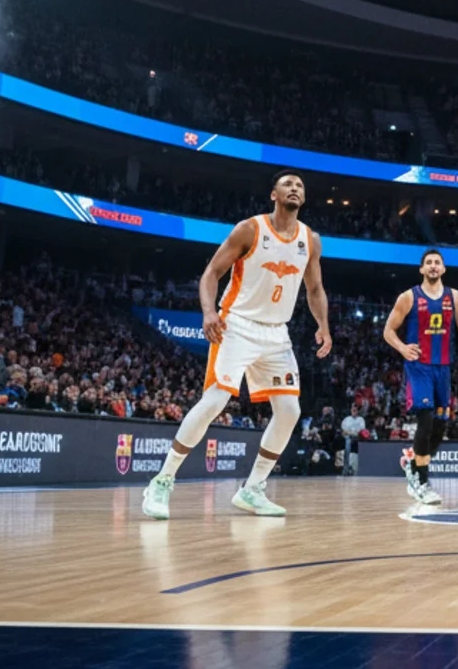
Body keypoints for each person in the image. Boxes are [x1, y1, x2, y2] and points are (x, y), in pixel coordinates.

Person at [142, 171, 332, 520]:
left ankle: (252, 489)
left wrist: (323, 325)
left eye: (300, 185)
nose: (294, 188)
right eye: (288, 184)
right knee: (214, 401)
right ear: (273, 193)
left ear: (303, 198)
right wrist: (208, 312)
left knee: (290, 412)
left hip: (276, 332)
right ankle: (162, 479)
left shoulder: (311, 240)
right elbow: (211, 273)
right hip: (238, 325)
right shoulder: (250, 229)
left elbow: (315, 289)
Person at [382, 249, 458, 506]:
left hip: (443, 368)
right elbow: (388, 330)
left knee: (440, 427)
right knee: (425, 420)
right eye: (429, 263)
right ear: (422, 269)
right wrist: (402, 348)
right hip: (419, 367)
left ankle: (413, 465)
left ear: (443, 269)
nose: (433, 266)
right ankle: (422, 483)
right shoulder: (408, 297)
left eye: (437, 263)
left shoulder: (455, 297)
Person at [340, 404, 366, 476]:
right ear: (351, 411)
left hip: (358, 437)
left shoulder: (361, 419)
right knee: (347, 442)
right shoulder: (346, 419)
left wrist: (353, 433)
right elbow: (344, 431)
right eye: (353, 410)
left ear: (357, 411)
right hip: (348, 436)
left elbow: (362, 430)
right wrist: (349, 433)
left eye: (355, 410)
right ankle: (346, 469)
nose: (354, 412)